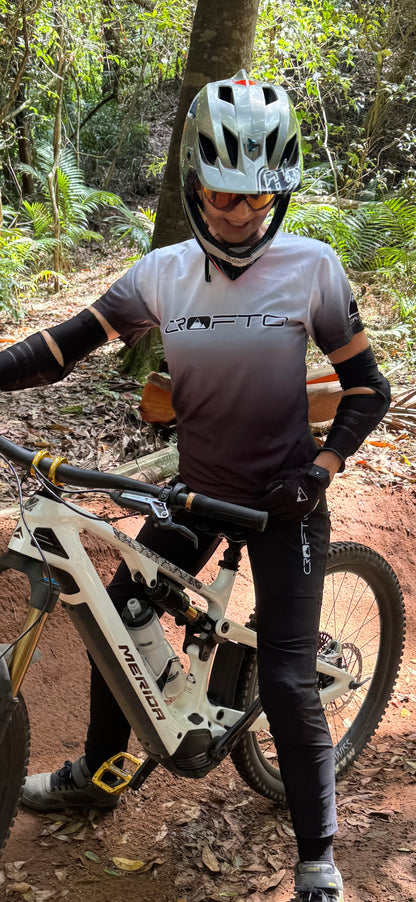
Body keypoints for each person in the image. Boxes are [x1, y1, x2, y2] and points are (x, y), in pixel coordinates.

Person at [0, 71, 390, 902]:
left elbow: (367, 391)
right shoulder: (162, 274)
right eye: (221, 195)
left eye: (258, 198)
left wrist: (319, 473)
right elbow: (62, 348)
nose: (240, 214)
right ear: (192, 183)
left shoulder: (312, 269)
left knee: (286, 680)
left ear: (281, 192)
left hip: (286, 500)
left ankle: (318, 859)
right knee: (113, 621)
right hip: (194, 493)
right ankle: (102, 775)